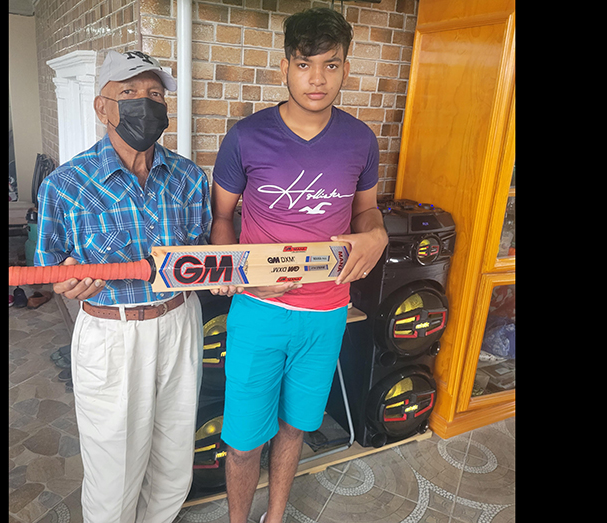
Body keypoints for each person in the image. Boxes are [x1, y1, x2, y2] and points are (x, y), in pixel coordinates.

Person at [209, 8, 389, 523]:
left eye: (330, 66)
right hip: (258, 312)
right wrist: (230, 269)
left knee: (295, 428)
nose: (317, 79)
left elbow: (366, 208)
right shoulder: (246, 137)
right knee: (243, 442)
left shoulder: (360, 140)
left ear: (345, 70)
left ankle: (276, 516)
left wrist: (375, 232)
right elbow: (222, 217)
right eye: (305, 63)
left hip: (326, 311)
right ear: (284, 66)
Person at [34, 50, 212, 523]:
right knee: (113, 477)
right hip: (111, 334)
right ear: (101, 107)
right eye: (129, 93)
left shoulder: (189, 178)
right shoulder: (64, 185)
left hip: (179, 323)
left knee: (174, 464)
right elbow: (49, 270)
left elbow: (203, 251)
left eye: (154, 94)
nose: (144, 103)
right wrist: (66, 281)